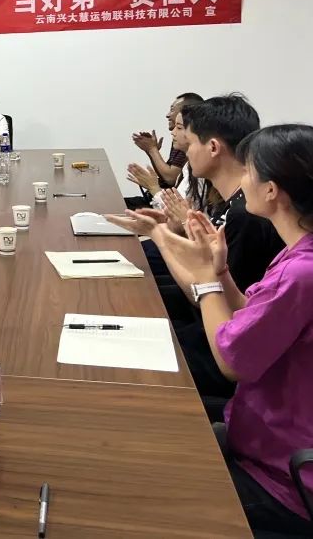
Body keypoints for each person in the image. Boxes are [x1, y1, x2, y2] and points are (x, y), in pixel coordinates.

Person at [120, 125, 313, 535]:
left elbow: (231, 360)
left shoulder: (302, 272)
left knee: (135, 489)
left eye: (249, 171)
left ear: (272, 190)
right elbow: (248, 314)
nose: (243, 180)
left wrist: (207, 278)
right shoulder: (297, 255)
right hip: (259, 440)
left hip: (282, 481)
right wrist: (219, 270)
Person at [110, 94, 284, 399]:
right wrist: (166, 233)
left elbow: (215, 302)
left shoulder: (247, 214)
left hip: (220, 347)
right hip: (209, 327)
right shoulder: (231, 202)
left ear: (213, 147)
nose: (184, 152)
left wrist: (162, 236)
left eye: (188, 143)